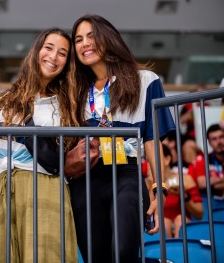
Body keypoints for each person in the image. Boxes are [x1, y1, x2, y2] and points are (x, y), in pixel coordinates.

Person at [66, 14, 175, 263]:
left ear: (108, 38)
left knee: (124, 251)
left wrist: (160, 189)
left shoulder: (146, 80)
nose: (84, 44)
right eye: (79, 39)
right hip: (86, 177)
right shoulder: (76, 89)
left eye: (91, 36)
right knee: (95, 256)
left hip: (126, 172)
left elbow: (152, 140)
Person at [0, 28, 78, 263]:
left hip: (45, 184)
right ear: (36, 51)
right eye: (48, 48)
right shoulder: (1, 100)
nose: (53, 56)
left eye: (62, 53)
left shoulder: (67, 104)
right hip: (0, 186)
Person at [162, 144, 203, 238]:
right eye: (148, 159)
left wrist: (183, 195)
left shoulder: (185, 179)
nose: (149, 163)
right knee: (164, 222)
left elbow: (199, 214)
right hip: (161, 227)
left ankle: (179, 250)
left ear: (167, 159)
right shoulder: (147, 183)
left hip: (181, 224)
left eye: (153, 158)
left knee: (180, 219)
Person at [190, 124, 224, 198]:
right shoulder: (203, 159)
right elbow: (202, 183)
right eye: (214, 139)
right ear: (209, 142)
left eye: (221, 137)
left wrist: (213, 181)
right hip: (213, 204)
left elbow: (209, 183)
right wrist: (221, 180)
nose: (219, 142)